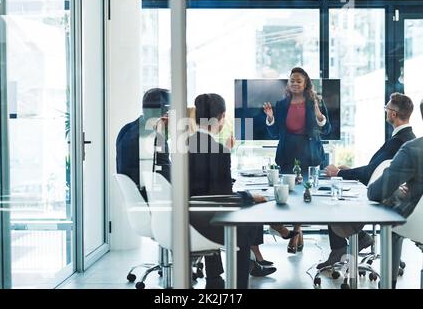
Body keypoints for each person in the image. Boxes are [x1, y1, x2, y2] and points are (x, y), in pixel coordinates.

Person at [318, 93, 416, 269]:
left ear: (393, 114)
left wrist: (339, 172)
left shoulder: (398, 142)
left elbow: (371, 173)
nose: (385, 111)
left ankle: (344, 247)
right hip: (394, 197)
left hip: (384, 200)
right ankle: (359, 238)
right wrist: (348, 170)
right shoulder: (410, 138)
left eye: (386, 108)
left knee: (334, 203)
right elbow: (377, 169)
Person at [189, 93, 276, 289]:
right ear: (221, 117)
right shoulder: (219, 152)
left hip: (186, 220)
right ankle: (239, 285)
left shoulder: (183, 145)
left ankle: (215, 278)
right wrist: (249, 196)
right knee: (249, 222)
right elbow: (225, 199)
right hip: (207, 223)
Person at [263, 67, 331, 253]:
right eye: (292, 80)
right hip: (287, 154)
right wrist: (270, 118)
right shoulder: (282, 104)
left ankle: (296, 231)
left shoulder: (315, 102)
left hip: (309, 154)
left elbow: (327, 129)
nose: (294, 83)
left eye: (298, 80)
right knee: (289, 195)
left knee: (303, 195)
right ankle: (296, 233)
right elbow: (275, 132)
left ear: (306, 83)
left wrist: (318, 113)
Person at [367, 99, 423, 289]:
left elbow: (376, 192)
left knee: (391, 223)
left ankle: (388, 284)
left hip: (418, 223)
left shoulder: (413, 149)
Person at [116, 88, 171, 201]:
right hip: (153, 202)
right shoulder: (156, 138)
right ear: (164, 114)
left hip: (135, 200)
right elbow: (166, 179)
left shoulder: (125, 130)